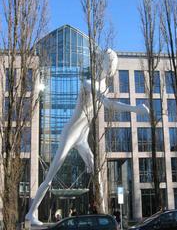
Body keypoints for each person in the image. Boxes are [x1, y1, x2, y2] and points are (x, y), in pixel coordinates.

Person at [25, 49, 149, 226]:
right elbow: (108, 104)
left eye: (113, 64)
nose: (111, 67)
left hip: (82, 136)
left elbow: (106, 101)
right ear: (102, 63)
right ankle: (31, 213)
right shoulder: (88, 83)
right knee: (50, 175)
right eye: (109, 63)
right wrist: (135, 109)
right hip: (70, 134)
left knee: (95, 169)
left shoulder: (104, 87)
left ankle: (103, 211)